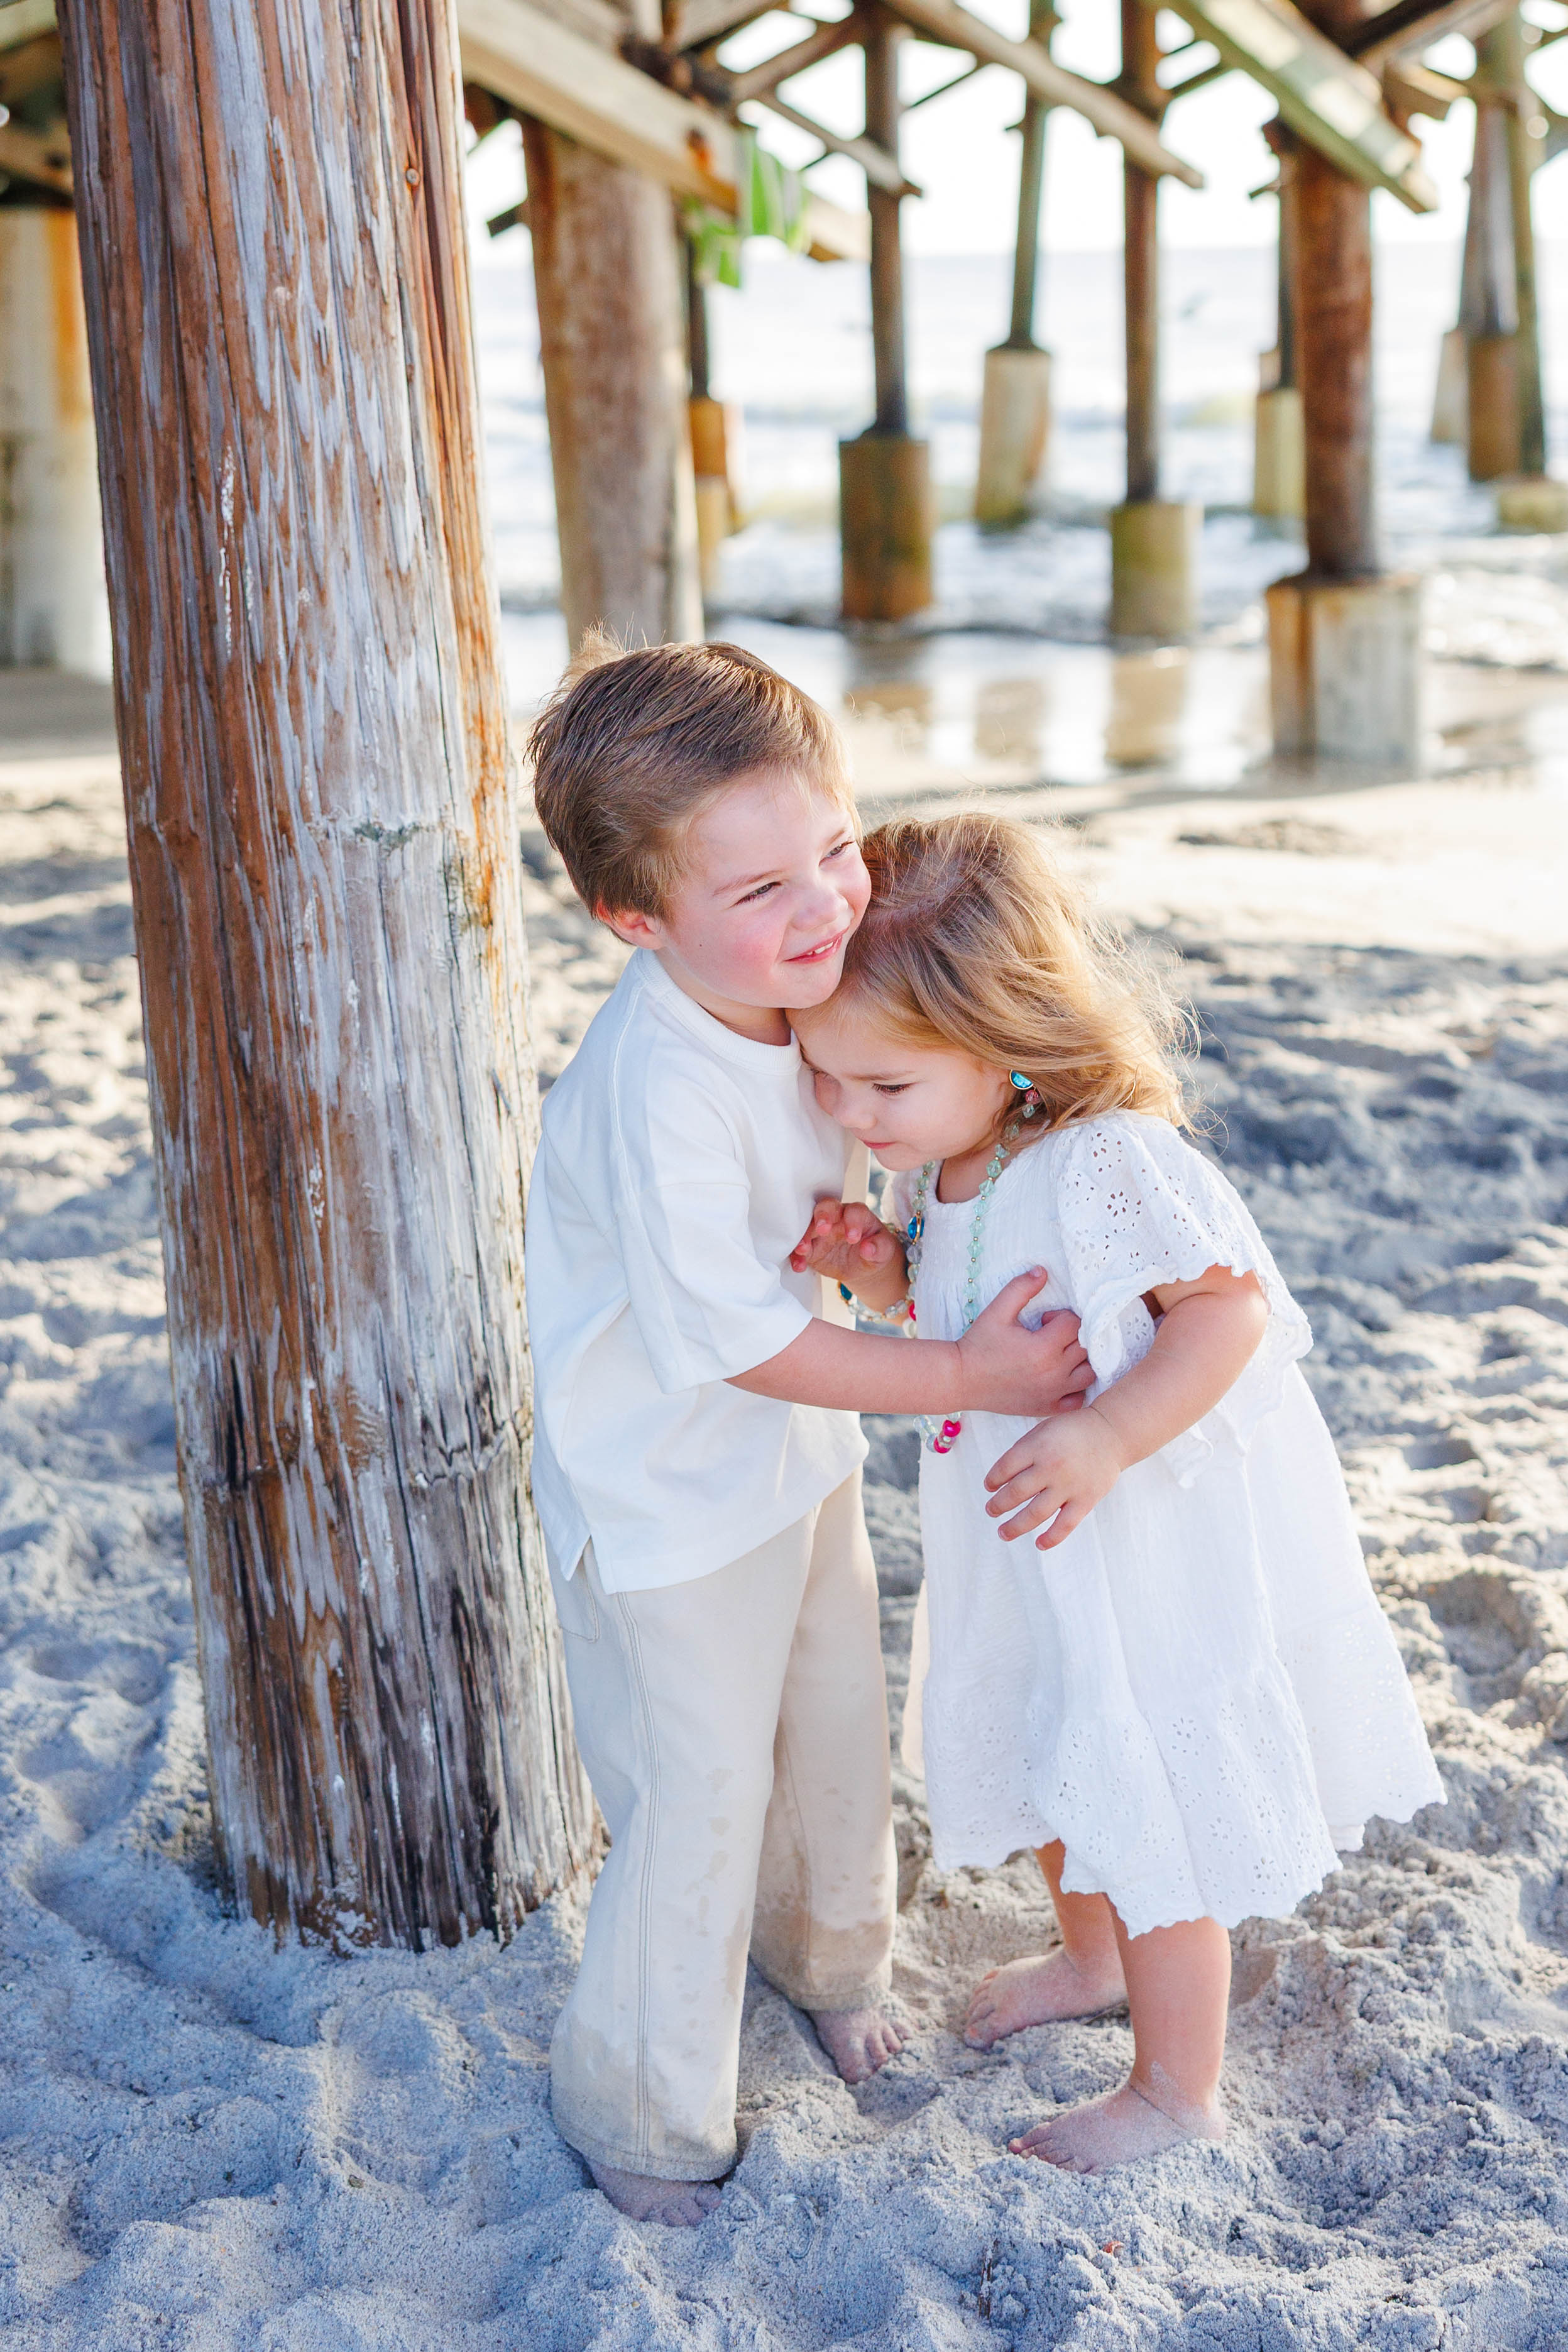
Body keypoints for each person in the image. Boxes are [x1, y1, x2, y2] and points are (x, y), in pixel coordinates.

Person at [523, 646, 1094, 2227]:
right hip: (662, 1497)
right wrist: (971, 1367)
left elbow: (874, 1170)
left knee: (838, 1723)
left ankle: (827, 1957)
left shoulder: (802, 986)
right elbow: (740, 1339)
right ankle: (640, 2102)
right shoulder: (659, 1081)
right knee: (698, 1787)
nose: (827, 904)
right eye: (764, 883)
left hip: (796, 1463)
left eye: (835, 846)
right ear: (637, 921)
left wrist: (866, 1244)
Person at [791, 810, 1444, 2175]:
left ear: (1008, 1044)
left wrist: (1108, 1439)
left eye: (883, 1086)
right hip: (1027, 1541)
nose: (852, 1115)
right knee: (1049, 1740)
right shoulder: (952, 1162)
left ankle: (1174, 2086)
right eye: (828, 1078)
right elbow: (971, 1303)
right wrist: (887, 1276)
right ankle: (1091, 1958)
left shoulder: (1104, 1162)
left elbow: (1229, 1314)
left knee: (1147, 1782)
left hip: (1132, 1533)